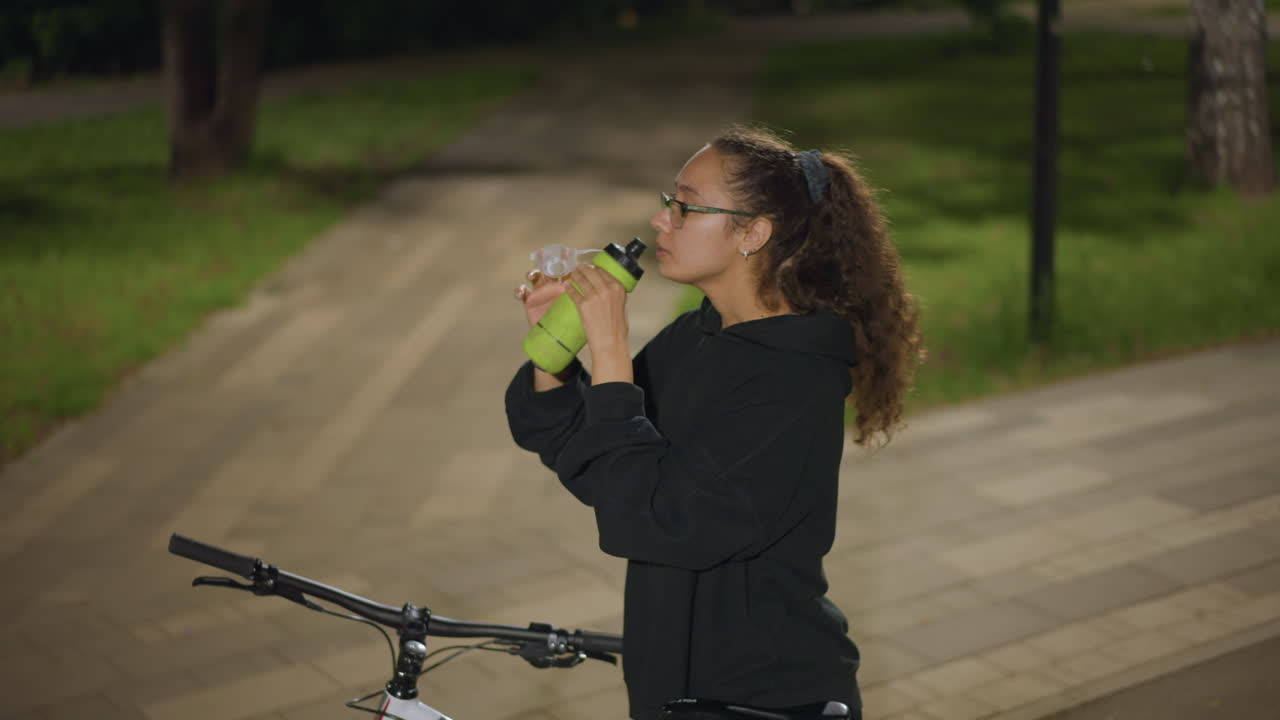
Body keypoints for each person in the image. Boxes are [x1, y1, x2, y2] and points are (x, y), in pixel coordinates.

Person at [505, 124, 922, 720]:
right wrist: (556, 349)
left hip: (762, 698)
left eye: (686, 206)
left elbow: (658, 518)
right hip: (672, 686)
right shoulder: (698, 337)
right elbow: (601, 458)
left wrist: (614, 353)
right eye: (666, 203)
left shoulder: (794, 382)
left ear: (753, 233)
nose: (661, 221)